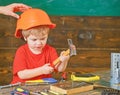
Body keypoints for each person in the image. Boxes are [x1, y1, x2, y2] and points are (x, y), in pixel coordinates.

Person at [11, 8, 70, 84]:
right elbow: (22, 75)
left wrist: (64, 60)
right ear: (25, 37)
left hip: (43, 87)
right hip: (22, 87)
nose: (39, 43)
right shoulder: (21, 51)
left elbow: (59, 69)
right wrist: (41, 70)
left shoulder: (50, 50)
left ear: (47, 36)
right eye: (34, 40)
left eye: (42, 39)